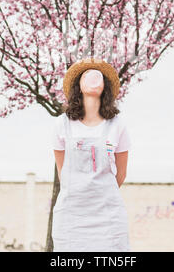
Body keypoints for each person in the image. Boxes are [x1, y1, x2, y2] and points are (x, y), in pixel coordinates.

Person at [51, 57, 132, 252]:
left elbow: (121, 174)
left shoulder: (117, 124)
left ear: (105, 87)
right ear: (78, 84)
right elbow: (63, 172)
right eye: (86, 74)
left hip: (108, 216)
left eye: (98, 75)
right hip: (71, 216)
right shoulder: (62, 124)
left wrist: (100, 192)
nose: (92, 76)